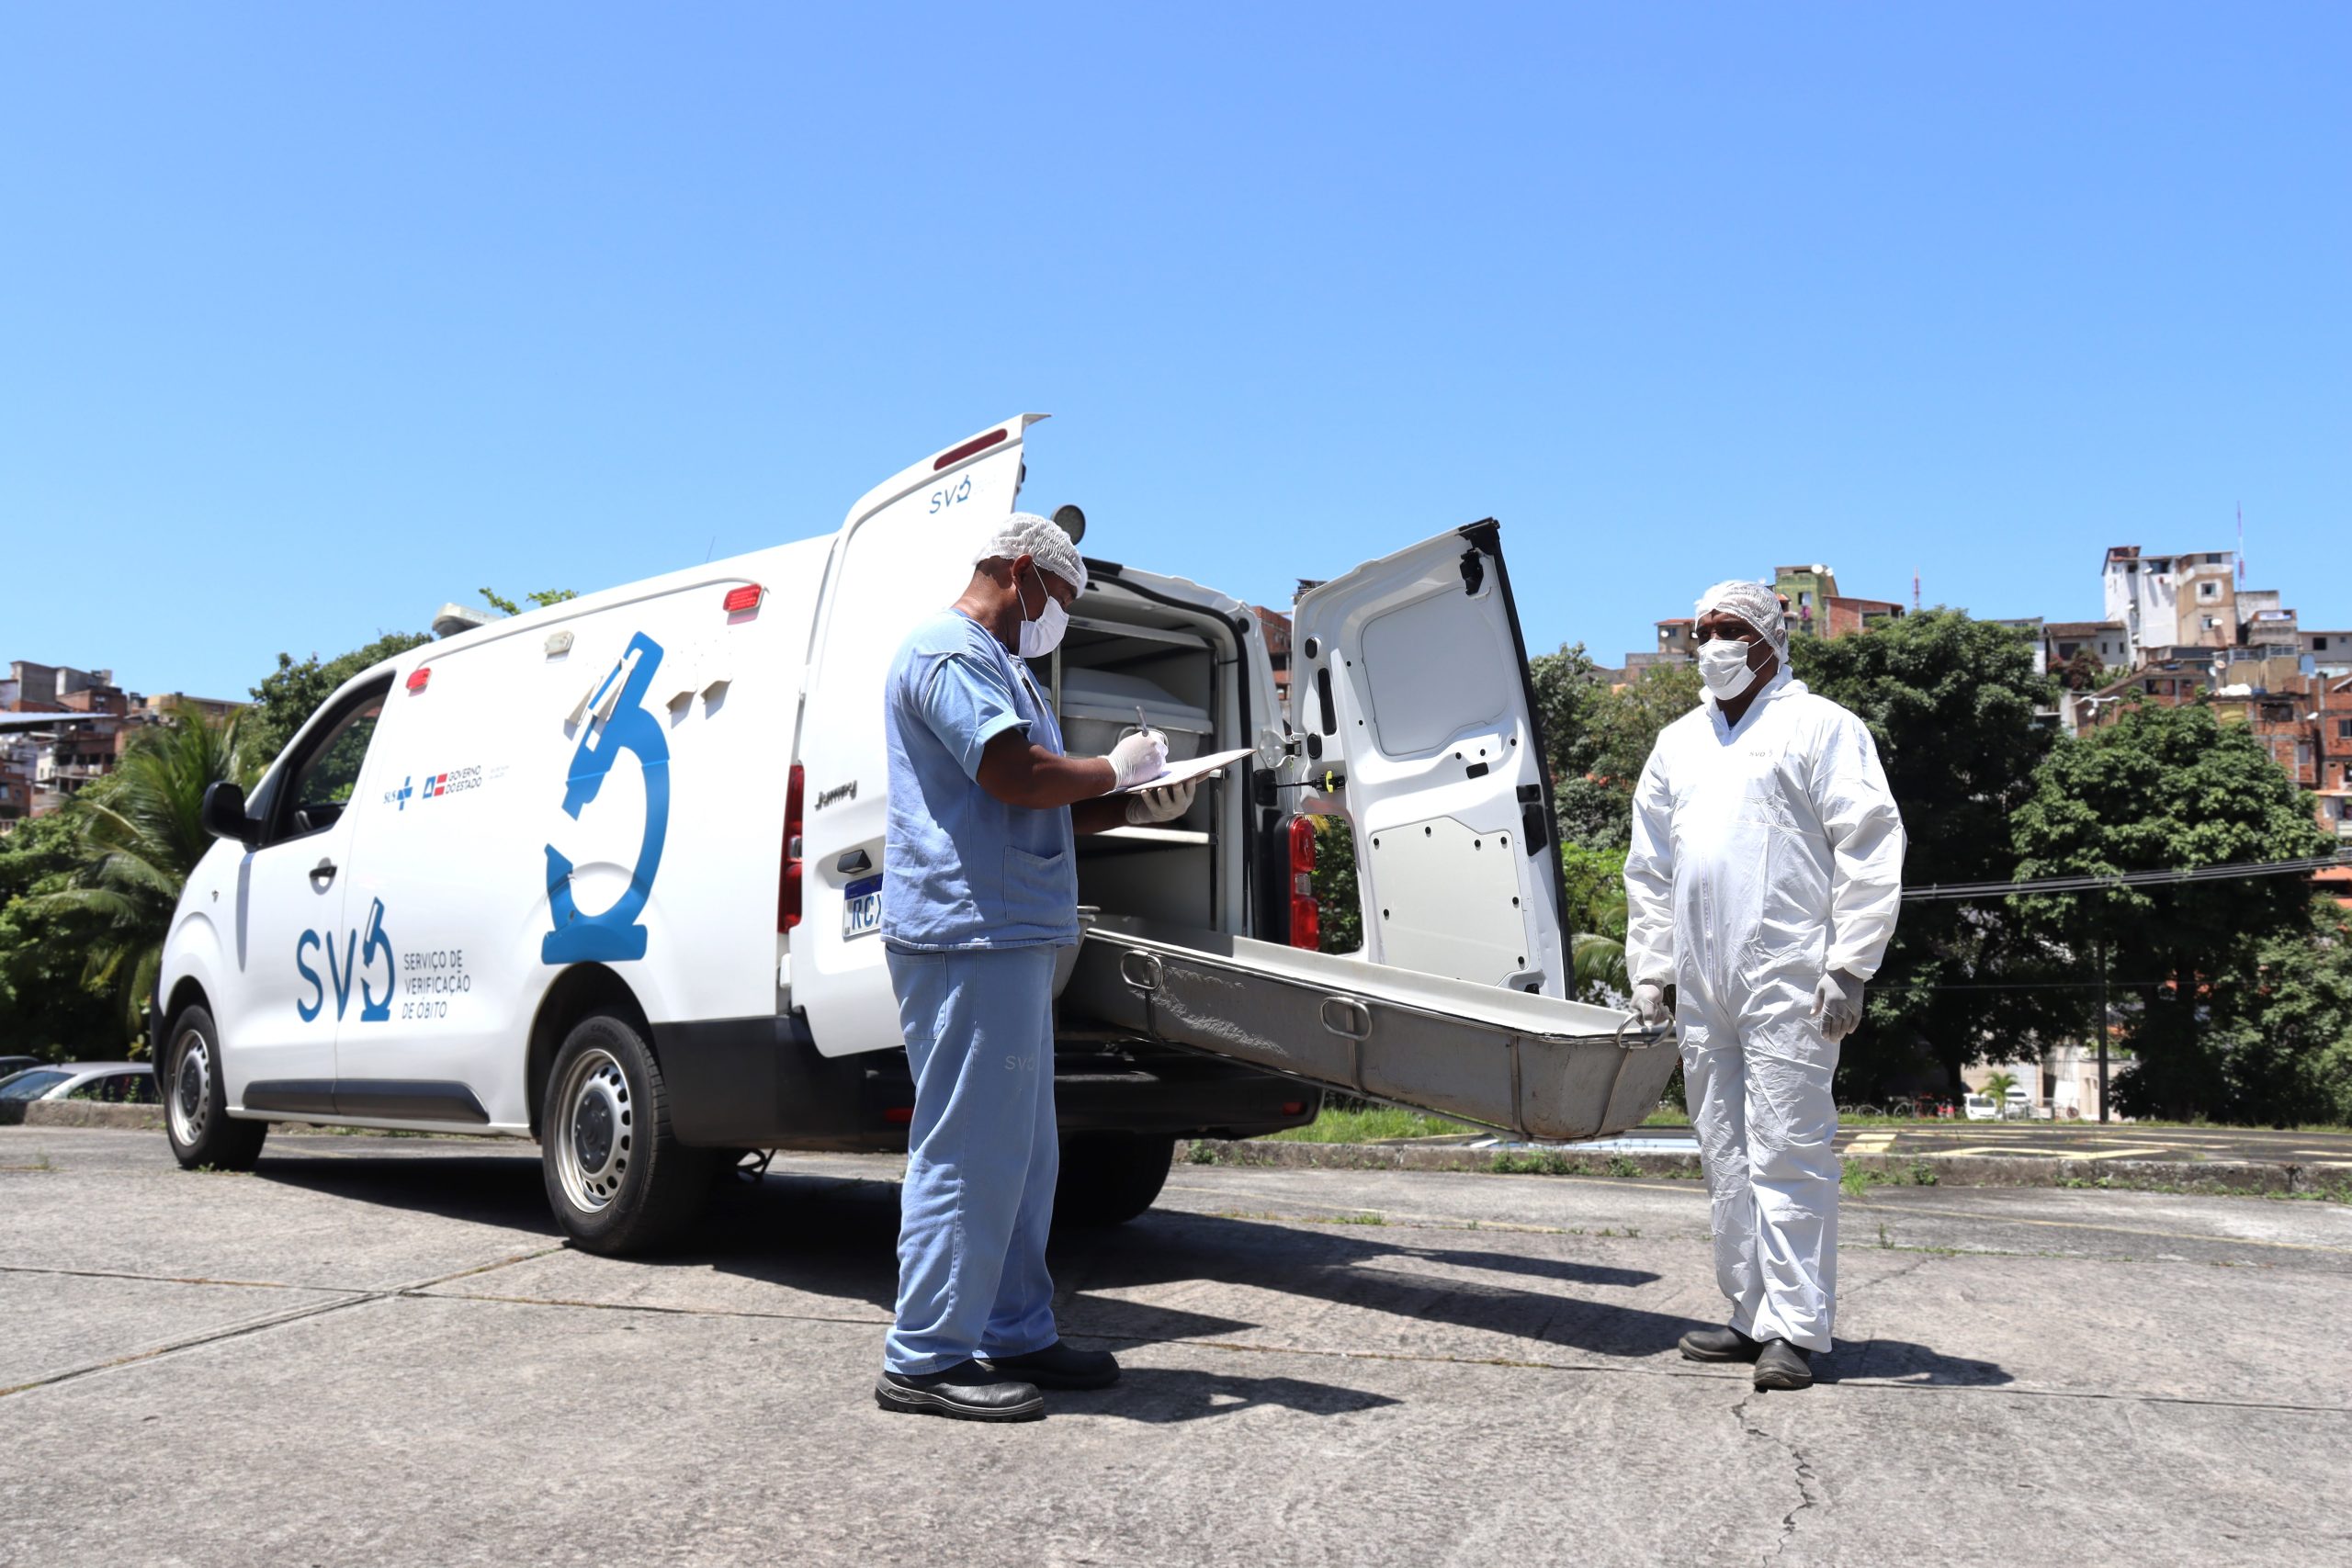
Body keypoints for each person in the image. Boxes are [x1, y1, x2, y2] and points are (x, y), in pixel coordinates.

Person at [873, 512, 1193, 1422]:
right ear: (1018, 572)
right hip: (966, 931)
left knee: (1020, 1153)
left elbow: (1044, 802)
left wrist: (1134, 800)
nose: (1062, 619)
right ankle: (924, 1356)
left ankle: (1013, 1329)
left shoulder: (1004, 666)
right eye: (1060, 598)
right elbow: (1013, 775)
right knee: (971, 1148)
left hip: (1006, 930)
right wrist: (1110, 768)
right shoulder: (948, 651)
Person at [1623, 579, 1905, 1392]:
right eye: (1703, 631)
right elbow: (1651, 867)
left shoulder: (1821, 727)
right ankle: (1750, 1313)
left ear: (1770, 640)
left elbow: (1870, 842)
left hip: (1790, 976)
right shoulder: (1679, 743)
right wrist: (1653, 968)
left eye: (1730, 629)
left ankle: (1797, 1328)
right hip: (1702, 981)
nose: (1712, 644)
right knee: (1724, 1150)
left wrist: (1849, 964)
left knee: (1789, 1149)